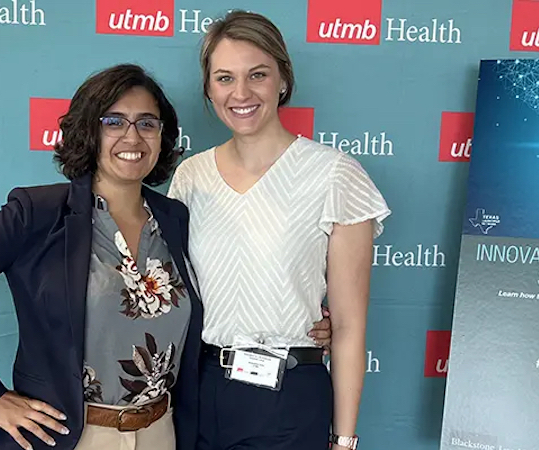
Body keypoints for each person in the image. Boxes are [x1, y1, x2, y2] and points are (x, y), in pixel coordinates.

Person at [0, 63, 333, 450]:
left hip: (162, 433)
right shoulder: (38, 214)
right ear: (89, 130)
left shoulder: (176, 218)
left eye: (147, 123)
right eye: (114, 121)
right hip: (72, 436)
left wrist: (298, 320)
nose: (132, 136)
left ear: (162, 136)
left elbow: (223, 288)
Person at [167, 10, 390, 450]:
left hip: (288, 398)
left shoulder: (335, 176)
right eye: (225, 78)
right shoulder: (190, 177)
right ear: (209, 88)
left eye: (258, 75)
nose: (241, 93)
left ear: (283, 80)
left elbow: (348, 327)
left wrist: (344, 440)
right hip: (200, 391)